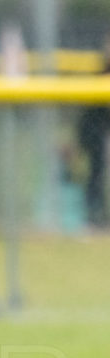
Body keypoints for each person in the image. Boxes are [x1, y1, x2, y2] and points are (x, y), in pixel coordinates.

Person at [77, 35, 110, 229]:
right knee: (96, 174)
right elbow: (89, 116)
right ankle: (94, 216)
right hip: (98, 136)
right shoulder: (99, 76)